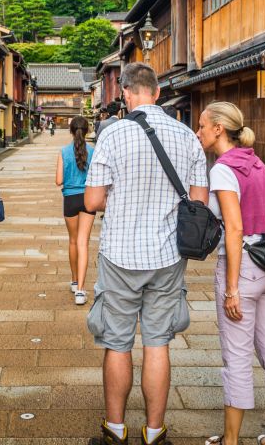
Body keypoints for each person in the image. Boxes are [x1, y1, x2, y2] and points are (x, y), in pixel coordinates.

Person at [84, 62, 208, 445]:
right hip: (169, 254)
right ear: (156, 93)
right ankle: (155, 433)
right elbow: (200, 203)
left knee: (117, 342)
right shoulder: (187, 136)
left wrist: (122, 200)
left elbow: (91, 200)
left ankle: (115, 431)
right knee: (157, 342)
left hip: (120, 251)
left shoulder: (113, 134)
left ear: (124, 93)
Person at [195, 102, 265, 445]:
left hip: (244, 267)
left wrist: (232, 289)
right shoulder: (259, 164)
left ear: (219, 130)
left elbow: (234, 230)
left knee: (237, 357)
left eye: (202, 127)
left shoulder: (224, 170)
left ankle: (231, 440)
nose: (199, 133)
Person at [55, 115, 95, 305]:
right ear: (87, 131)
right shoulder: (93, 151)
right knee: (83, 243)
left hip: (70, 199)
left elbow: (58, 180)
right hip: (87, 199)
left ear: (70, 131)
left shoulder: (63, 152)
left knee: (72, 241)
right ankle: (81, 291)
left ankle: (73, 281)